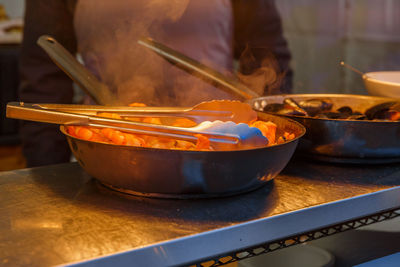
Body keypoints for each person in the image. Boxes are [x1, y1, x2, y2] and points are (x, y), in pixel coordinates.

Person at [19, 0, 292, 167]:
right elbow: (42, 73)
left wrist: (274, 148)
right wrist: (47, 168)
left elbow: (267, 52)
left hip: (220, 152)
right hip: (108, 149)